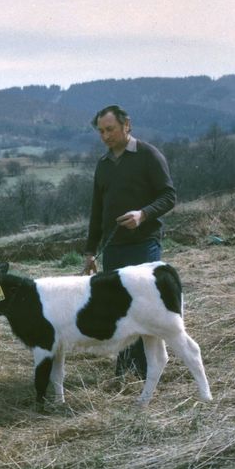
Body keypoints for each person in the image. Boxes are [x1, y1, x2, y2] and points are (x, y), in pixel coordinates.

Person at [83, 104, 176, 378]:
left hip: (144, 243)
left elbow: (169, 196)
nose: (105, 136)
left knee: (142, 308)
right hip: (113, 249)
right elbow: (97, 213)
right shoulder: (103, 165)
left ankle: (146, 369)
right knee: (119, 309)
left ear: (127, 125)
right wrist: (90, 252)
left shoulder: (149, 155)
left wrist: (143, 214)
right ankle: (126, 370)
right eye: (100, 131)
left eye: (110, 129)